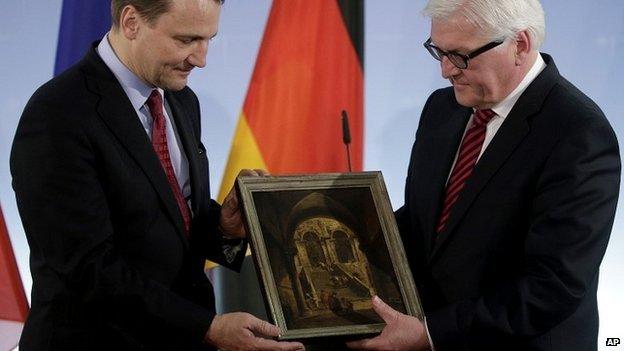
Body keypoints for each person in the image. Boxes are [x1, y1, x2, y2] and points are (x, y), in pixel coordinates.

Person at [10, 1, 304, 350]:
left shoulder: (181, 100)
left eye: (209, 39)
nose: (201, 58)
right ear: (132, 22)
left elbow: (169, 214)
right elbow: (86, 268)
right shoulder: (57, 114)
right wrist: (207, 327)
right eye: (186, 40)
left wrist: (223, 226)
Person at [347, 0, 620, 350]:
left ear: (519, 45)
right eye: (438, 52)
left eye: (460, 56)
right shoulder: (441, 109)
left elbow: (552, 286)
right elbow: (425, 226)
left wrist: (429, 334)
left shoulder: (578, 133)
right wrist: (341, 224)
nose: (446, 71)